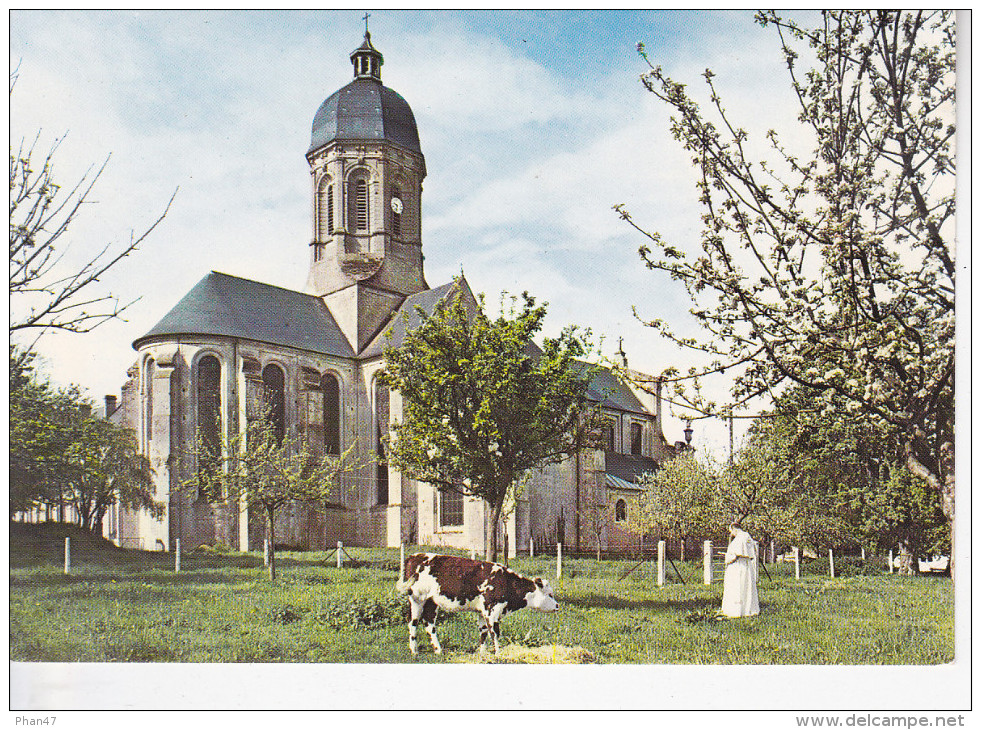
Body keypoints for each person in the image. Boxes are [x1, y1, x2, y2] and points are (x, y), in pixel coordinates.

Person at [721, 523, 760, 617]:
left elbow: (735, 554)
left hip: (738, 566)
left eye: (731, 532)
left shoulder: (739, 539)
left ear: (734, 529)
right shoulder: (748, 537)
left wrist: (728, 557)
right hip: (747, 565)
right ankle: (747, 609)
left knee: (737, 587)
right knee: (746, 586)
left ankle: (737, 610)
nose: (732, 534)